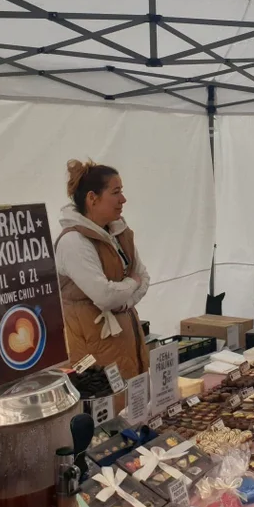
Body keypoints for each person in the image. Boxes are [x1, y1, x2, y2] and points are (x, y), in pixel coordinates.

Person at [56, 160, 151, 379]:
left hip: (126, 342)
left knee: (132, 404)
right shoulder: (74, 242)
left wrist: (125, 302)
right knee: (106, 405)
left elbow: (144, 276)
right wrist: (131, 283)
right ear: (92, 198)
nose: (123, 199)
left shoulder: (118, 233)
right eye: (116, 192)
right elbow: (105, 296)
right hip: (92, 349)